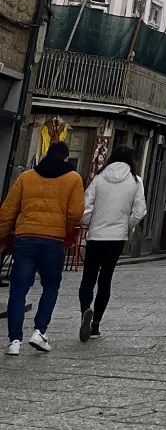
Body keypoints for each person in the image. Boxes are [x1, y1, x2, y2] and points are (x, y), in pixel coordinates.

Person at [1, 138, 84, 354]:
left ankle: (14, 342)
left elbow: (8, 210)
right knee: (50, 286)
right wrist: (64, 230)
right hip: (53, 240)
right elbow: (76, 213)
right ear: (66, 157)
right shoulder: (73, 179)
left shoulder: (25, 178)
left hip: (25, 238)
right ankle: (39, 331)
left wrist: (2, 236)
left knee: (19, 288)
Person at [79, 138, 147, 342]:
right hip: (116, 238)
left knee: (88, 277)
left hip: (96, 236)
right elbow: (140, 211)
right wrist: (126, 225)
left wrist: (89, 222)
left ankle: (85, 310)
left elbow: (86, 205)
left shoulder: (99, 178)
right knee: (105, 279)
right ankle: (96, 325)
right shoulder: (136, 181)